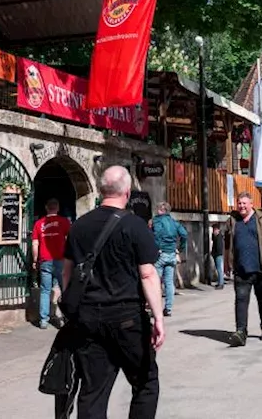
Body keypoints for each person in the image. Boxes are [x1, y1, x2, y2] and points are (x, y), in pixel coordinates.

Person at [62, 166, 163, 419]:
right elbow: (148, 275)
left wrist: (71, 308)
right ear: (127, 193)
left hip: (88, 318)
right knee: (145, 382)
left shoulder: (78, 226)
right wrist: (159, 318)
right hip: (127, 317)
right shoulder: (135, 226)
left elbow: (67, 272)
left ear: (101, 190)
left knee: (93, 390)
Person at [223, 191, 262, 347]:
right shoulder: (232, 221)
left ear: (251, 204)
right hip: (241, 268)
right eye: (239, 203)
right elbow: (227, 243)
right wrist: (226, 263)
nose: (241, 206)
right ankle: (241, 332)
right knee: (241, 300)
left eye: (244, 203)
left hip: (260, 267)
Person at [32, 198, 73, 329]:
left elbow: (35, 243)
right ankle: (66, 317)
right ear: (58, 207)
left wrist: (35, 259)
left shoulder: (39, 224)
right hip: (61, 260)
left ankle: (43, 320)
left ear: (46, 207)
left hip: (45, 260)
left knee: (45, 290)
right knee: (64, 288)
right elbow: (69, 240)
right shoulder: (64, 222)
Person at [150, 202, 188, 317]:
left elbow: (156, 235)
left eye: (158, 209)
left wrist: (157, 248)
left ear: (162, 210)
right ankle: (168, 308)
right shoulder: (174, 222)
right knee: (169, 282)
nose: (157, 211)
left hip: (160, 254)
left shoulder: (157, 221)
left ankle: (155, 309)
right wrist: (180, 248)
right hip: (171, 254)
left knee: (156, 283)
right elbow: (184, 235)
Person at [210, 224, 226, 289]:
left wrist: (215, 254)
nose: (213, 231)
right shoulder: (216, 237)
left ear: (218, 230)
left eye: (214, 230)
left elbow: (219, 247)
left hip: (218, 255)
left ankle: (221, 283)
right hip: (217, 255)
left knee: (219, 269)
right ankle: (220, 282)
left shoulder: (219, 237)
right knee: (218, 269)